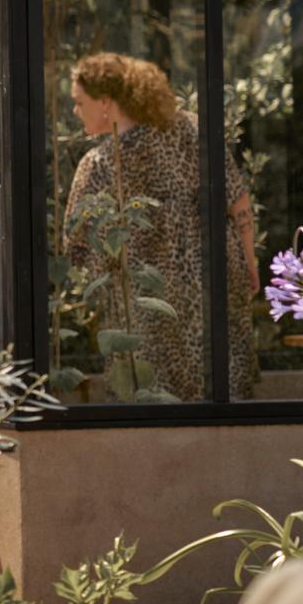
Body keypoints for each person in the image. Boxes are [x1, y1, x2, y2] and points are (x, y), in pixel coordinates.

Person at [63, 52, 257, 401]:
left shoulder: (99, 165)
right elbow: (238, 202)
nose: (75, 111)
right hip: (212, 291)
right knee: (220, 399)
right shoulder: (193, 130)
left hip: (147, 311)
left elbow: (75, 246)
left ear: (105, 102)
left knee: (154, 405)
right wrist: (249, 265)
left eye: (80, 102)